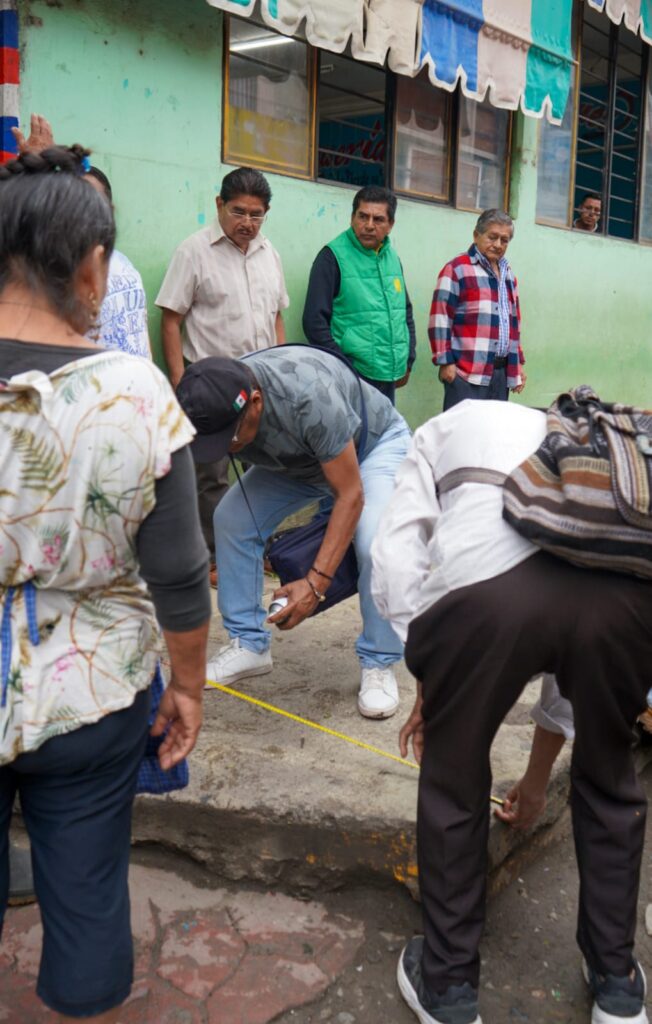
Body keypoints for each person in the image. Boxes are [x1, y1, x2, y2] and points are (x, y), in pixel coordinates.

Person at [0, 145, 211, 1022]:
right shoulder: (135, 393)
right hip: (90, 693)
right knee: (87, 889)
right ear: (93, 267)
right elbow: (180, 571)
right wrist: (188, 689)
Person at [371, 400, 651, 1024]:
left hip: (486, 593)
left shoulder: (442, 428)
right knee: (610, 779)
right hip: (627, 601)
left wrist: (431, 678)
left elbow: (393, 562)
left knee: (453, 779)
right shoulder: (591, 455)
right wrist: (536, 779)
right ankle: (617, 987)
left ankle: (448, 988)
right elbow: (569, 662)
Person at [176, 345, 411, 719]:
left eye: (229, 438)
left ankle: (379, 660)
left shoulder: (307, 397)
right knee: (232, 520)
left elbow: (349, 495)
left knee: (374, 543)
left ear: (256, 402)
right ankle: (249, 644)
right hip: (300, 462)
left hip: (371, 447)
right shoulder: (206, 403)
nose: (226, 449)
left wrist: (315, 584)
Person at [156, 166, 289, 581]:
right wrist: (180, 381)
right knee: (210, 474)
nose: (247, 222)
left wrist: (281, 367)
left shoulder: (270, 254)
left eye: (256, 214)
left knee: (263, 471)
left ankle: (262, 548)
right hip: (210, 386)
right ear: (219, 205)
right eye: (239, 212)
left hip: (260, 383)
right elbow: (171, 319)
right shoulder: (193, 251)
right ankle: (215, 556)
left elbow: (277, 315)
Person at [302, 185, 416, 404]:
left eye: (378, 219)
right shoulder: (331, 257)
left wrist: (407, 360)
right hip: (351, 377)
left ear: (390, 225)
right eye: (363, 216)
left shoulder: (392, 258)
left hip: (388, 375)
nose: (369, 225)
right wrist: (344, 367)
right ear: (352, 218)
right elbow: (314, 322)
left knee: (384, 427)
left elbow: (404, 311)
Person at [429, 209, 526, 411]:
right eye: (492, 237)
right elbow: (440, 317)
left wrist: (517, 365)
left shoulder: (508, 275)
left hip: (500, 374)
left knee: (493, 428)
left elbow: (513, 323)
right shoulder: (457, 269)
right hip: (466, 373)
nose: (498, 244)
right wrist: (445, 362)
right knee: (462, 428)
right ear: (476, 235)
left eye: (504, 240)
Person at [83, 165, 152, 357]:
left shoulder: (124, 264)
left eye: (95, 201)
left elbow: (139, 328)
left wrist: (149, 368)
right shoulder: (58, 274)